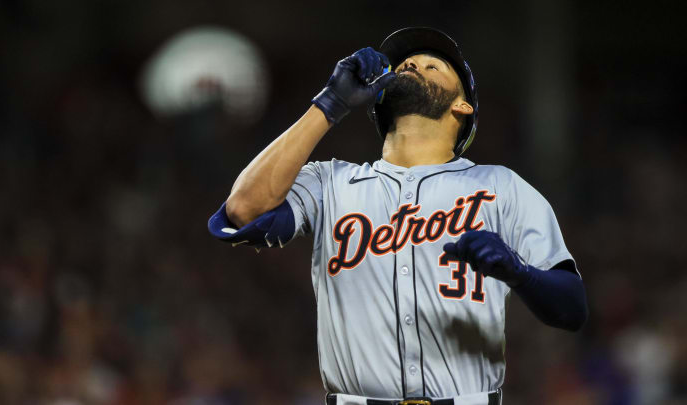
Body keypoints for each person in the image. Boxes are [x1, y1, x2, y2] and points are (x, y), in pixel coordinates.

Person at [209, 27, 588, 405]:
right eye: (407, 63)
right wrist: (330, 103)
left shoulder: (500, 185)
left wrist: (518, 272)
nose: (412, 65)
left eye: (432, 65)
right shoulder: (330, 182)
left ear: (463, 105)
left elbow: (571, 308)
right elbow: (244, 209)